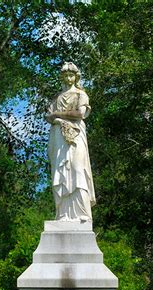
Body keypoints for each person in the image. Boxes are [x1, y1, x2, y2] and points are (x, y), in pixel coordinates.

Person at [46, 62, 95, 221]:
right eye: (65, 75)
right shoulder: (57, 98)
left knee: (77, 168)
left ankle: (82, 214)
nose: (68, 78)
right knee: (61, 173)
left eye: (71, 75)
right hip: (58, 136)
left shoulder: (81, 95)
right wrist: (56, 117)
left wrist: (58, 114)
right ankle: (63, 214)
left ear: (76, 77)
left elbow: (80, 113)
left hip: (76, 134)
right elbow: (48, 116)